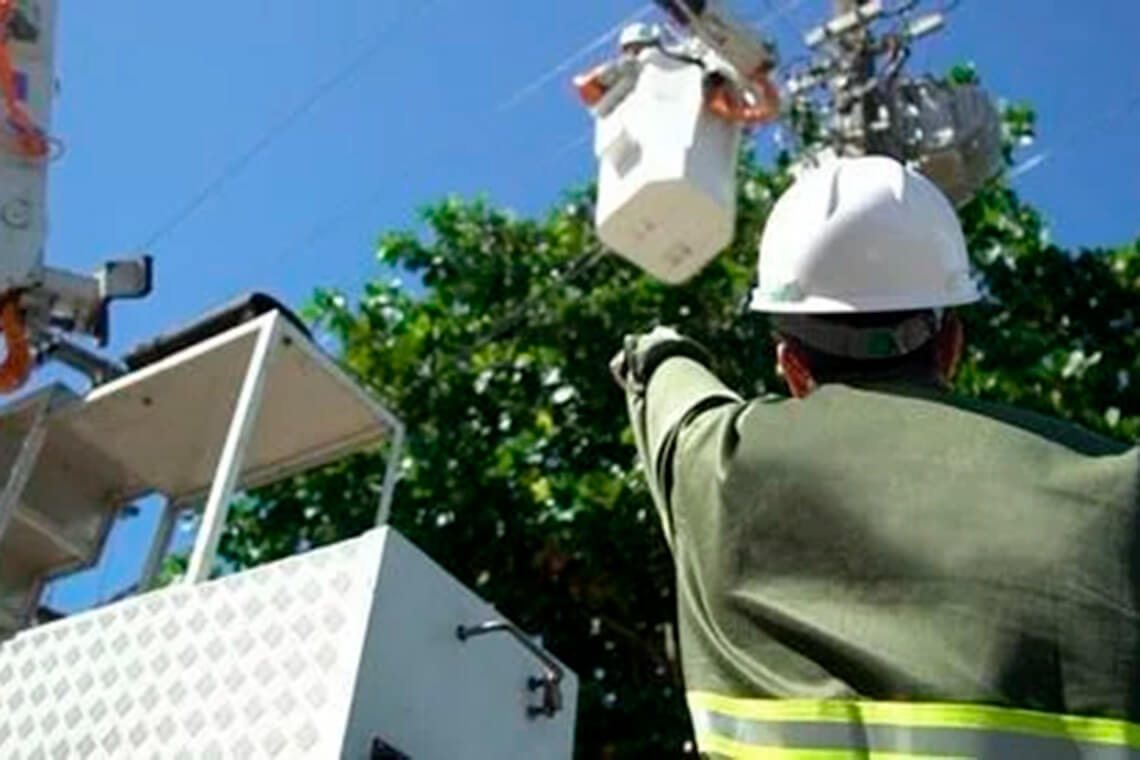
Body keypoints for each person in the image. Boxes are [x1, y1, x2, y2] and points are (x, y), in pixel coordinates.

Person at [611, 155, 1140, 758]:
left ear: (790, 365)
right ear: (951, 346)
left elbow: (659, 373)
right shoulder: (1121, 488)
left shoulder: (716, 462)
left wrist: (660, 347)